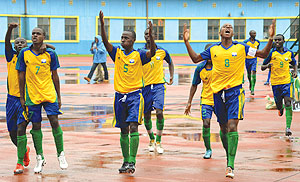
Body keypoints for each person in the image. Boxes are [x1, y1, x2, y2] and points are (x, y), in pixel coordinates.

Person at [183, 20, 275, 178]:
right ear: (220, 32)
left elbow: (263, 54)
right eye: (225, 27)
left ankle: (230, 165)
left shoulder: (242, 48)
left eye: (230, 27)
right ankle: (228, 155)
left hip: (235, 93)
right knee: (224, 128)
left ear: (233, 33)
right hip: (218, 94)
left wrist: (270, 39)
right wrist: (186, 42)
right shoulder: (213, 49)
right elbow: (195, 59)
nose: (228, 28)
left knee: (232, 126)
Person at [99, 10, 156, 174]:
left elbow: (152, 53)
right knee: (123, 129)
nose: (122, 40)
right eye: (122, 38)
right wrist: (103, 25)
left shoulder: (139, 55)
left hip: (135, 96)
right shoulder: (116, 53)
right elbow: (105, 41)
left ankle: (132, 161)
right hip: (119, 96)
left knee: (133, 127)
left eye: (126, 38)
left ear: (133, 40)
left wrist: (151, 36)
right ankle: (125, 161)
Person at [16, 27, 68, 173]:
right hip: (32, 95)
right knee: (36, 126)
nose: (34, 35)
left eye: (38, 34)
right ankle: (40, 157)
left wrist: (59, 96)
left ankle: (61, 154)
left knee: (54, 121)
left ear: (44, 36)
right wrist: (22, 97)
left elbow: (55, 76)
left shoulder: (51, 53)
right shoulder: (24, 53)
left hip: (49, 94)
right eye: (33, 33)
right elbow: (20, 75)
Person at [141, 27, 174, 154]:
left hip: (159, 85)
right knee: (147, 114)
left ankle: (159, 141)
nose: (148, 35)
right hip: (145, 87)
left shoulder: (162, 51)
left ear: (155, 35)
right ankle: (151, 139)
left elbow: (170, 62)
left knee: (159, 112)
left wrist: (171, 76)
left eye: (150, 34)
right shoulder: (141, 52)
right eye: (146, 34)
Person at [5, 22, 31, 174]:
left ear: (27, 45)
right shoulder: (11, 57)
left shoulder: (30, 58)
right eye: (17, 43)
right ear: (15, 47)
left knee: (21, 129)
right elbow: (7, 43)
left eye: (22, 42)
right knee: (12, 133)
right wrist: (9, 30)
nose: (20, 44)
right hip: (11, 100)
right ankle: (25, 150)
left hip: (25, 100)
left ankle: (19, 163)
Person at [261, 34, 298, 136]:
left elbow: (294, 63)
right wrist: (267, 65)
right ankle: (279, 109)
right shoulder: (271, 53)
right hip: (275, 83)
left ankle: (288, 128)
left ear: (283, 41)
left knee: (288, 103)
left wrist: (295, 72)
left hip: (286, 82)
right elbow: (262, 67)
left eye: (279, 40)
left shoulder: (289, 53)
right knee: (279, 104)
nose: (277, 42)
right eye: (275, 40)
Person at [184, 43, 214, 159]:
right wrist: (189, 102)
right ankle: (208, 149)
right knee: (206, 123)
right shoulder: (200, 68)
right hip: (206, 100)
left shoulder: (220, 66)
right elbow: (194, 85)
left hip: (220, 99)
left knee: (225, 126)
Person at [244, 30, 260, 95]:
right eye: (253, 33)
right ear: (250, 34)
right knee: (249, 73)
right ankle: (250, 83)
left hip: (254, 59)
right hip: (247, 59)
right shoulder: (246, 42)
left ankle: (253, 88)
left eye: (255, 33)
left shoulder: (257, 42)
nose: (255, 34)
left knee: (254, 72)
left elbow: (257, 50)